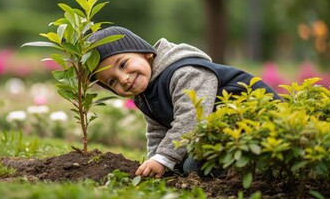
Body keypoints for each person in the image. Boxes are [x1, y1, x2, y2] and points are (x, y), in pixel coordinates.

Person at [88, 26, 281, 179]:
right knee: (182, 164)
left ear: (145, 52)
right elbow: (157, 131)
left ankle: (253, 171)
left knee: (192, 165)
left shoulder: (184, 72)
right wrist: (155, 161)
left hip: (258, 124)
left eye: (123, 64)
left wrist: (165, 158)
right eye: (112, 81)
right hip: (221, 135)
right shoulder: (146, 93)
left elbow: (191, 119)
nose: (123, 79)